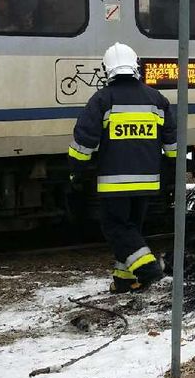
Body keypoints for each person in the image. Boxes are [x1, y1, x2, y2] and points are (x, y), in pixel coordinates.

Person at [68, 42, 180, 293]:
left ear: (107, 69)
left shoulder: (102, 100)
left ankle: (149, 270)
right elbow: (173, 144)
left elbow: (84, 142)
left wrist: (76, 169)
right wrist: (171, 170)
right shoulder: (156, 100)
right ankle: (124, 280)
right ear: (136, 66)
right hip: (148, 181)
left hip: (114, 181)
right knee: (131, 229)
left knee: (117, 228)